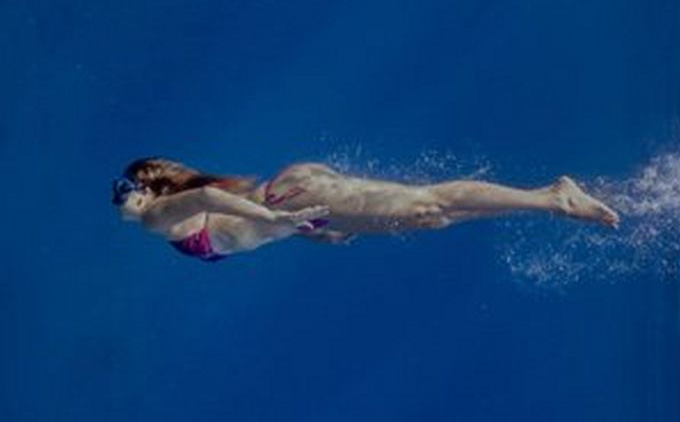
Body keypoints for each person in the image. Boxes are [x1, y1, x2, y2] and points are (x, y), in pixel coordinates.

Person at [112, 157, 620, 262]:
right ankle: (545, 199)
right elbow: (224, 210)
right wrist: (308, 232)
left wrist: (278, 221)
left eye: (127, 190)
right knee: (431, 217)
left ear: (150, 193)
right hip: (298, 202)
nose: (122, 199)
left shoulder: (159, 219)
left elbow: (207, 199)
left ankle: (553, 197)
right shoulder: (166, 216)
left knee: (429, 204)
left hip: (290, 201)